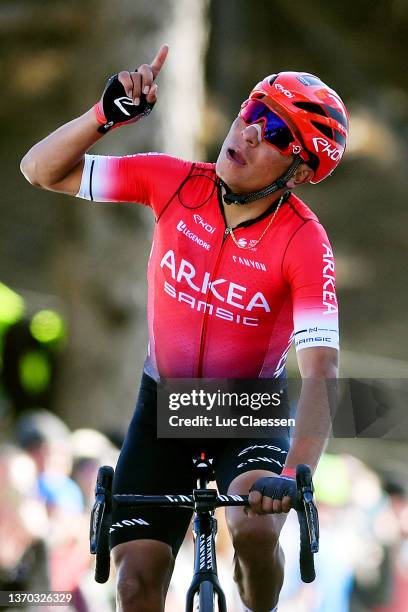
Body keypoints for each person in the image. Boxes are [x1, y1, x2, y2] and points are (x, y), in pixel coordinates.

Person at [21, 44, 348, 612]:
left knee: (250, 530)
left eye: (273, 130)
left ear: (299, 169)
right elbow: (39, 170)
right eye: (252, 110)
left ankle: (259, 603)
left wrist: (296, 471)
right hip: (164, 405)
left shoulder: (303, 241)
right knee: (134, 583)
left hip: (246, 409)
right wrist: (106, 116)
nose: (247, 131)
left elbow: (322, 368)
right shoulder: (175, 183)